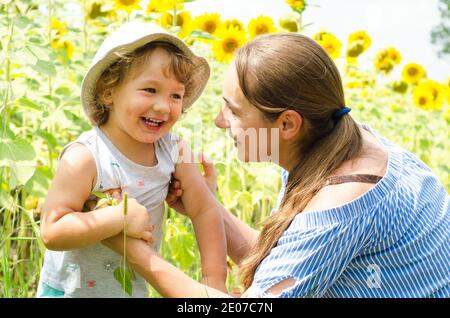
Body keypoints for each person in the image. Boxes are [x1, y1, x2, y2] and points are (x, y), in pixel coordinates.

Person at [103, 32, 450, 298]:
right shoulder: (342, 139)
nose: (219, 122)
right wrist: (208, 205)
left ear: (286, 125)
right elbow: (286, 262)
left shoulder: (340, 203)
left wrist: (133, 251)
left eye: (233, 111)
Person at [38, 21, 227, 298]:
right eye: (150, 90)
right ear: (109, 91)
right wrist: (119, 219)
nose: (163, 106)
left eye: (176, 95)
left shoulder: (174, 151)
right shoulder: (86, 156)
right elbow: (52, 231)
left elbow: (205, 211)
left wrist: (214, 284)